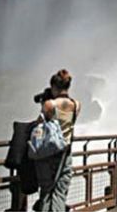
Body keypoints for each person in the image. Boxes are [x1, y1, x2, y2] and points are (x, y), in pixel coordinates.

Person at [34, 69, 81, 211]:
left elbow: (39, 126)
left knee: (47, 192)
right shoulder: (76, 105)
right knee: (60, 193)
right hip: (66, 155)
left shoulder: (49, 105)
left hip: (48, 155)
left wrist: (44, 102)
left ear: (54, 87)